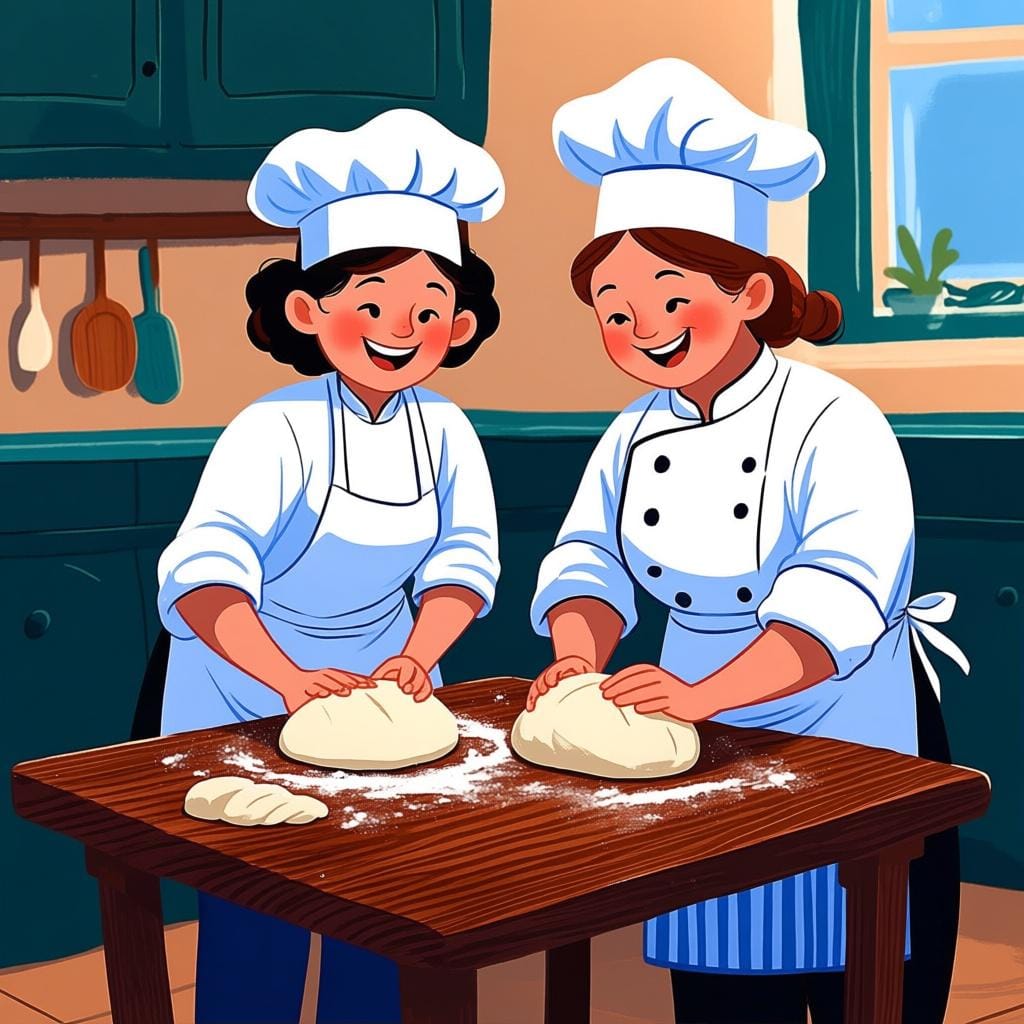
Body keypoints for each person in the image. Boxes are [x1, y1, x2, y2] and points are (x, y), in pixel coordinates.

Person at [527, 59, 967, 1024]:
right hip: (693, 723)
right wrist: (575, 658)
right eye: (613, 306)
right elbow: (589, 560)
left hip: (849, 721)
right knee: (720, 979)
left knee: (862, 979)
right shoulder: (637, 430)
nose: (641, 327)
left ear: (755, 292)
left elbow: (836, 601)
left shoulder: (835, 420)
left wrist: (699, 697)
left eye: (670, 294)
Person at [156, 109, 504, 1024]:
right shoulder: (273, 429)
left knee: (380, 904)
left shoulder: (449, 431)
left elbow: (462, 566)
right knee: (254, 915)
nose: (403, 327)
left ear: (459, 324)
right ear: (310, 312)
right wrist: (288, 680)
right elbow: (208, 578)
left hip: (384, 692)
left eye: (429, 309)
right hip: (241, 691)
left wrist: (418, 659)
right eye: (374, 302)